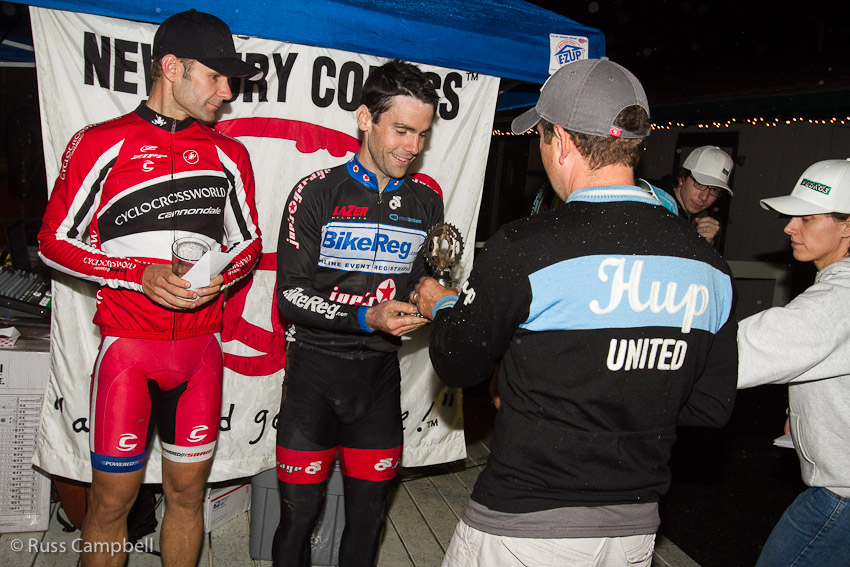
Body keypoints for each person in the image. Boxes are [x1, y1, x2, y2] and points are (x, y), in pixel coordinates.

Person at [412, 58, 738, 567]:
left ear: (561, 141)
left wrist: (444, 303)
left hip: (526, 525)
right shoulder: (708, 266)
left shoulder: (526, 246)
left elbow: (458, 362)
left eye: (541, 137)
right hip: (633, 531)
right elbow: (708, 407)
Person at [37, 10, 262, 567]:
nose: (227, 92)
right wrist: (137, 273)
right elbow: (52, 241)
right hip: (128, 353)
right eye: (216, 77)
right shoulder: (99, 143)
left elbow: (250, 242)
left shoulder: (229, 153)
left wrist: (220, 276)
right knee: (111, 504)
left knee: (187, 498)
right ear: (172, 67)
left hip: (200, 354)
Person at [273, 59, 442, 567]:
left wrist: (433, 299)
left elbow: (421, 282)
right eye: (402, 130)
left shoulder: (426, 200)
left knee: (368, 522)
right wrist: (367, 317)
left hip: (378, 384)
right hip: (313, 379)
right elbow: (290, 297)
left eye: (422, 135)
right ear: (366, 118)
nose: (412, 147)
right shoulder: (316, 191)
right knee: (298, 519)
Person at [737, 159, 850, 567]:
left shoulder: (840, 296)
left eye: (807, 218)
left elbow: (746, 352)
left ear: (847, 226)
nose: (789, 227)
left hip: (841, 495)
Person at [664, 145, 735, 244]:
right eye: (700, 184)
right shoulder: (656, 205)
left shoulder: (699, 220)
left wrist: (703, 243)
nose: (704, 197)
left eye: (714, 190)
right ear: (682, 178)